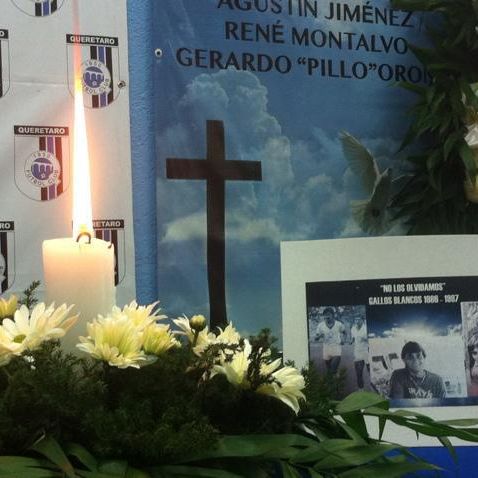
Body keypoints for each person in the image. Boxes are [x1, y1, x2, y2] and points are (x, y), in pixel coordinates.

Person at [315, 307, 346, 374]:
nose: (327, 316)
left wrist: (343, 339)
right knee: (329, 370)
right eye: (325, 315)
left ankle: (335, 375)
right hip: (326, 349)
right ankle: (335, 376)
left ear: (333, 315)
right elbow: (316, 338)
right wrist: (319, 336)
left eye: (329, 314)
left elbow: (344, 332)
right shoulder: (320, 325)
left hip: (336, 348)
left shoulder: (339, 324)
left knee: (333, 369)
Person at [350, 315, 369, 389]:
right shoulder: (353, 328)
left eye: (359, 319)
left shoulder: (366, 328)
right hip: (358, 353)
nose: (357, 321)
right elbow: (353, 338)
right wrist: (351, 341)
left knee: (371, 371)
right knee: (358, 373)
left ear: (362, 320)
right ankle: (361, 389)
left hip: (367, 352)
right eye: (356, 320)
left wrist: (365, 339)